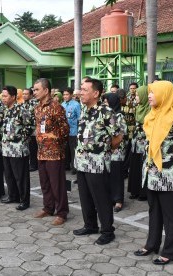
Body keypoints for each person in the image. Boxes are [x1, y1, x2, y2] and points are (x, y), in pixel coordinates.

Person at [134, 80, 173, 265]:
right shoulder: (152, 114)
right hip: (152, 173)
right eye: (149, 92)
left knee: (171, 215)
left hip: (170, 175)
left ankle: (170, 252)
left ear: (164, 94)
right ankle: (151, 244)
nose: (149, 95)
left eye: (153, 92)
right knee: (154, 211)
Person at [73, 78, 122, 245]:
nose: (80, 92)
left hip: (97, 163)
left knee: (101, 198)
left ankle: (108, 230)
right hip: (81, 162)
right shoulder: (84, 110)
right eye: (81, 89)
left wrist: (105, 151)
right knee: (85, 196)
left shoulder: (106, 112)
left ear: (96, 93)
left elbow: (118, 136)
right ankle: (90, 225)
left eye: (84, 90)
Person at [32, 78, 69, 226]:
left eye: (37, 90)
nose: (34, 92)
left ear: (46, 91)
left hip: (54, 152)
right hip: (41, 151)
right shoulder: (37, 108)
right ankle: (48, 207)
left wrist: (54, 137)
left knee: (57, 184)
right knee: (45, 183)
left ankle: (62, 212)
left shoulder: (56, 107)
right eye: (33, 90)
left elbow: (65, 129)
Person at [1, 85, 35, 210]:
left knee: (21, 176)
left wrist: (22, 138)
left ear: (13, 97)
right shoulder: (5, 110)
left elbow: (31, 125)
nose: (3, 98)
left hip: (18, 149)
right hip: (6, 148)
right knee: (9, 174)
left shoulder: (22, 110)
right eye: (2, 96)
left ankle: (24, 200)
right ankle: (13, 196)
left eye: (5, 96)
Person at [103, 93, 128, 212]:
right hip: (106, 151)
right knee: (108, 175)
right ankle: (109, 198)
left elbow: (122, 134)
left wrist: (113, 145)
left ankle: (118, 200)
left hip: (117, 150)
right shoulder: (104, 114)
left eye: (107, 102)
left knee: (117, 175)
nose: (105, 104)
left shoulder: (119, 116)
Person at [128, 86, 150, 200]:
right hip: (136, 142)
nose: (136, 97)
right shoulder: (138, 107)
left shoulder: (150, 109)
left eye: (138, 95)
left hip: (145, 143)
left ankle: (143, 192)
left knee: (143, 167)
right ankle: (134, 190)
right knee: (135, 167)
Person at [62, 87, 81, 174]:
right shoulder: (62, 104)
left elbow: (79, 118)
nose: (65, 96)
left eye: (67, 94)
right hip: (64, 132)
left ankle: (74, 168)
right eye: (64, 94)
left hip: (73, 131)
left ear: (71, 95)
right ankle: (66, 166)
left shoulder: (76, 104)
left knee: (73, 150)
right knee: (65, 150)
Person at [23, 87, 38, 171]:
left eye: (26, 94)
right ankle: (32, 163)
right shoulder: (24, 103)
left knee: (33, 148)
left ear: (31, 95)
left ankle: (33, 165)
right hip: (26, 129)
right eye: (23, 94)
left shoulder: (34, 103)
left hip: (33, 129)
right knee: (30, 148)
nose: (24, 96)